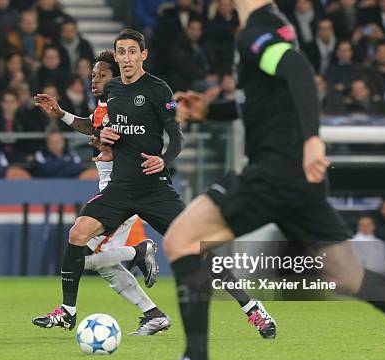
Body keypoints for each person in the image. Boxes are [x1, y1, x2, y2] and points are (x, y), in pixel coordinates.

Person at [140, 0, 385, 360]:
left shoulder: (256, 33)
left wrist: (313, 140)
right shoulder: (272, 26)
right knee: (348, 275)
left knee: (182, 240)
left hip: (274, 172)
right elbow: (267, 100)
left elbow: (298, 70)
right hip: (298, 182)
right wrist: (212, 111)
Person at [32, 30, 276, 338]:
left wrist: (165, 159)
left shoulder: (158, 89)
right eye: (122, 52)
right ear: (117, 56)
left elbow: (176, 135)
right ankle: (68, 311)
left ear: (142, 55)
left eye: (133, 52)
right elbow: (106, 129)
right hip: (120, 188)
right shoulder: (113, 91)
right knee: (78, 233)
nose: (127, 58)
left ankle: (254, 310)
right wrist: (103, 137)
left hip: (153, 187)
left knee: (197, 249)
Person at [32, 51, 173, 335]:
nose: (94, 80)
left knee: (83, 255)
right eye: (93, 76)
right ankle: (153, 314)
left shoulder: (127, 105)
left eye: (102, 75)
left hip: (124, 190)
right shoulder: (103, 107)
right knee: (103, 263)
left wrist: (113, 148)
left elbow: (135, 138)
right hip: (108, 187)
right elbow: (93, 125)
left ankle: (136, 252)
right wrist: (62, 115)